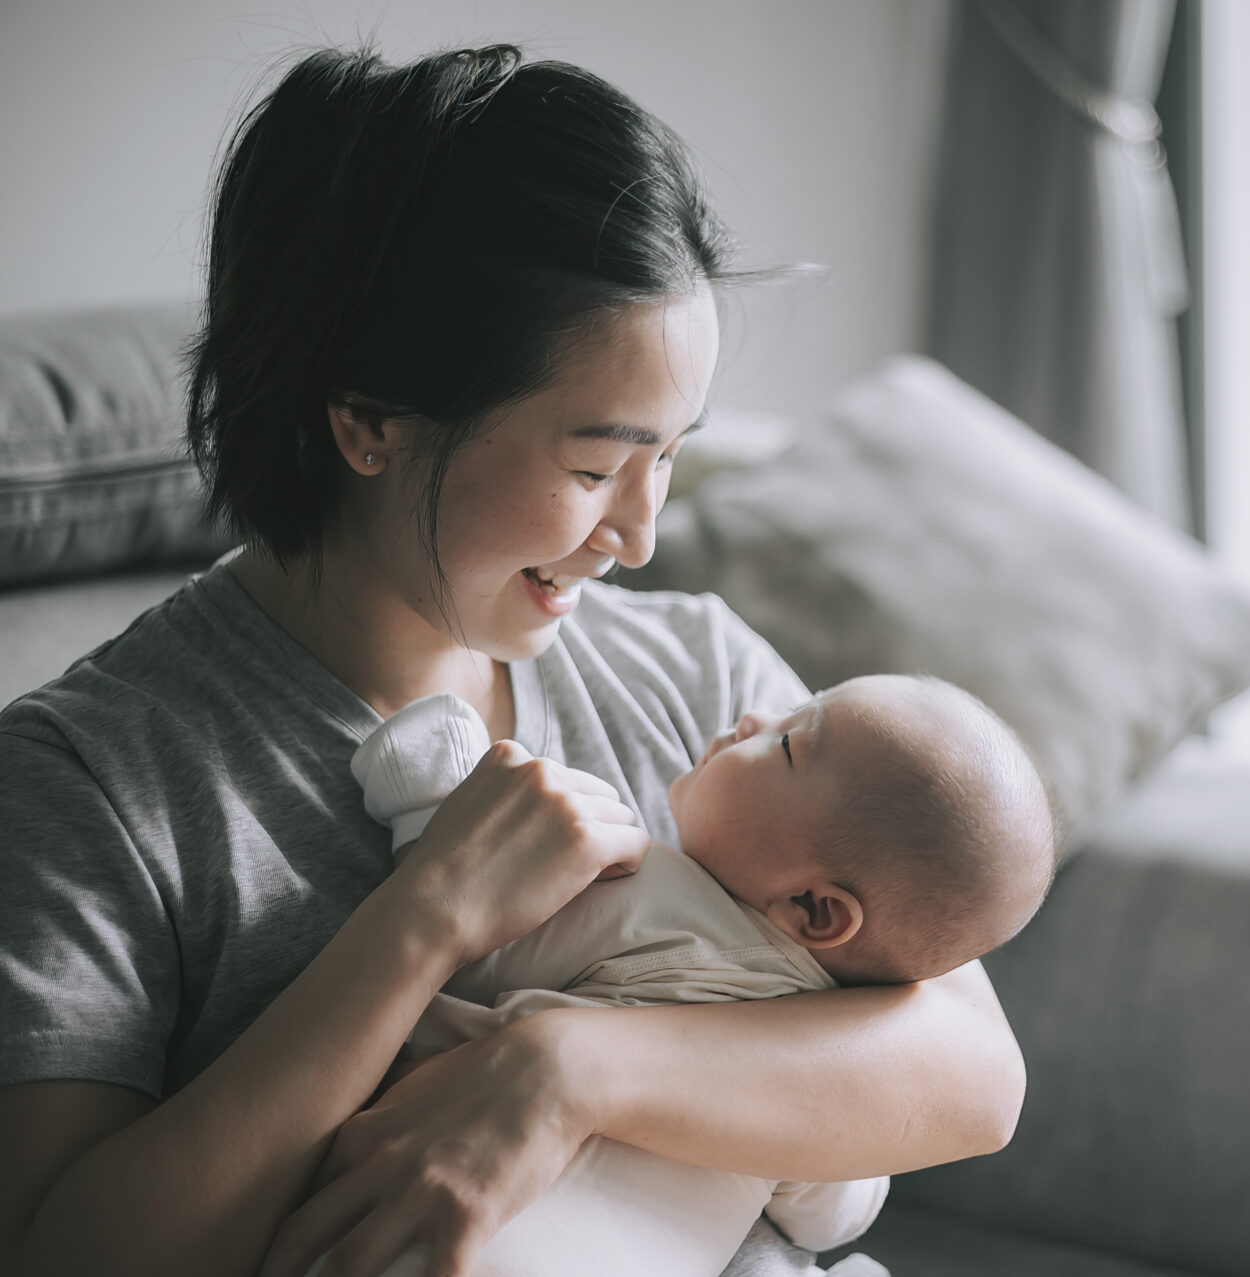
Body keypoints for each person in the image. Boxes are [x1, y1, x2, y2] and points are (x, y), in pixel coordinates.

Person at [0, 43, 1029, 1277]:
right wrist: (424, 920)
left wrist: (555, 1074)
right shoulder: (92, 779)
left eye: (671, 456)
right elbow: (68, 1252)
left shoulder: (692, 673)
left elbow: (975, 1076)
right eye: (596, 467)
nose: (640, 533)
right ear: (368, 424)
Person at [319, 673, 1056, 1276]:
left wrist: (431, 782)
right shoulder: (832, 1089)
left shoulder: (644, 895)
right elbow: (833, 1213)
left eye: (789, 741)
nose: (752, 716)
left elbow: (479, 946)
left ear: (813, 906)